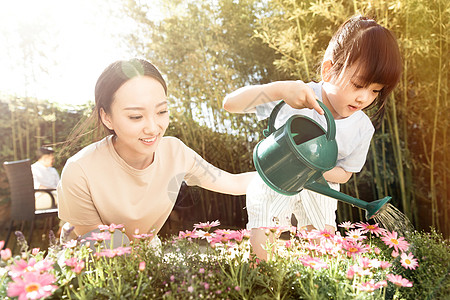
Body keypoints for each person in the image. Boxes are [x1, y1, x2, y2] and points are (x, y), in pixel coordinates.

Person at [223, 15, 402, 259]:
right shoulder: (298, 96)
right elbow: (230, 103)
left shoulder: (362, 128)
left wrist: (314, 168)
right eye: (358, 84)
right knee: (265, 232)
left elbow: (345, 173)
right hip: (277, 177)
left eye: (374, 91)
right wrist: (279, 90)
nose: (364, 98)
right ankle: (262, 276)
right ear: (328, 70)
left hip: (320, 188)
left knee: (322, 249)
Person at [57, 58, 255, 246]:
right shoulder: (80, 170)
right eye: (136, 117)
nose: (153, 128)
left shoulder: (175, 153)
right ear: (106, 117)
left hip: (144, 258)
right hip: (90, 267)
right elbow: (104, 248)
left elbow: (233, 182)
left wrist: (283, 180)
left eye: (161, 111)